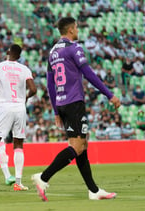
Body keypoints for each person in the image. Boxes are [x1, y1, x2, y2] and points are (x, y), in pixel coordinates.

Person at [31, 17, 121, 201]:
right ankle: (43, 177)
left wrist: (56, 110)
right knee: (77, 146)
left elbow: (50, 84)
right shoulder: (74, 47)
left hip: (63, 103)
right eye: (77, 27)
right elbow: (88, 73)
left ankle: (94, 191)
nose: (78, 30)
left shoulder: (53, 52)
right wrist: (109, 94)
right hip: (74, 102)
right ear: (71, 30)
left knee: (82, 146)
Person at [0, 44, 37, 192]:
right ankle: (18, 182)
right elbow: (34, 89)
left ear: (7, 52)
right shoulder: (25, 69)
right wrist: (24, 98)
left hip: (4, 107)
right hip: (20, 108)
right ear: (19, 56)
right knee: (18, 144)